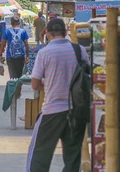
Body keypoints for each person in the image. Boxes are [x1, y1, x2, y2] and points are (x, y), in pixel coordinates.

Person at [26, 18, 89, 172]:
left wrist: (49, 86)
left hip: (52, 111)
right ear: (66, 32)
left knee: (39, 157)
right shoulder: (80, 50)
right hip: (77, 111)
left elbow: (35, 84)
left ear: (47, 33)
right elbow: (88, 77)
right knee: (73, 158)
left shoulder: (44, 53)